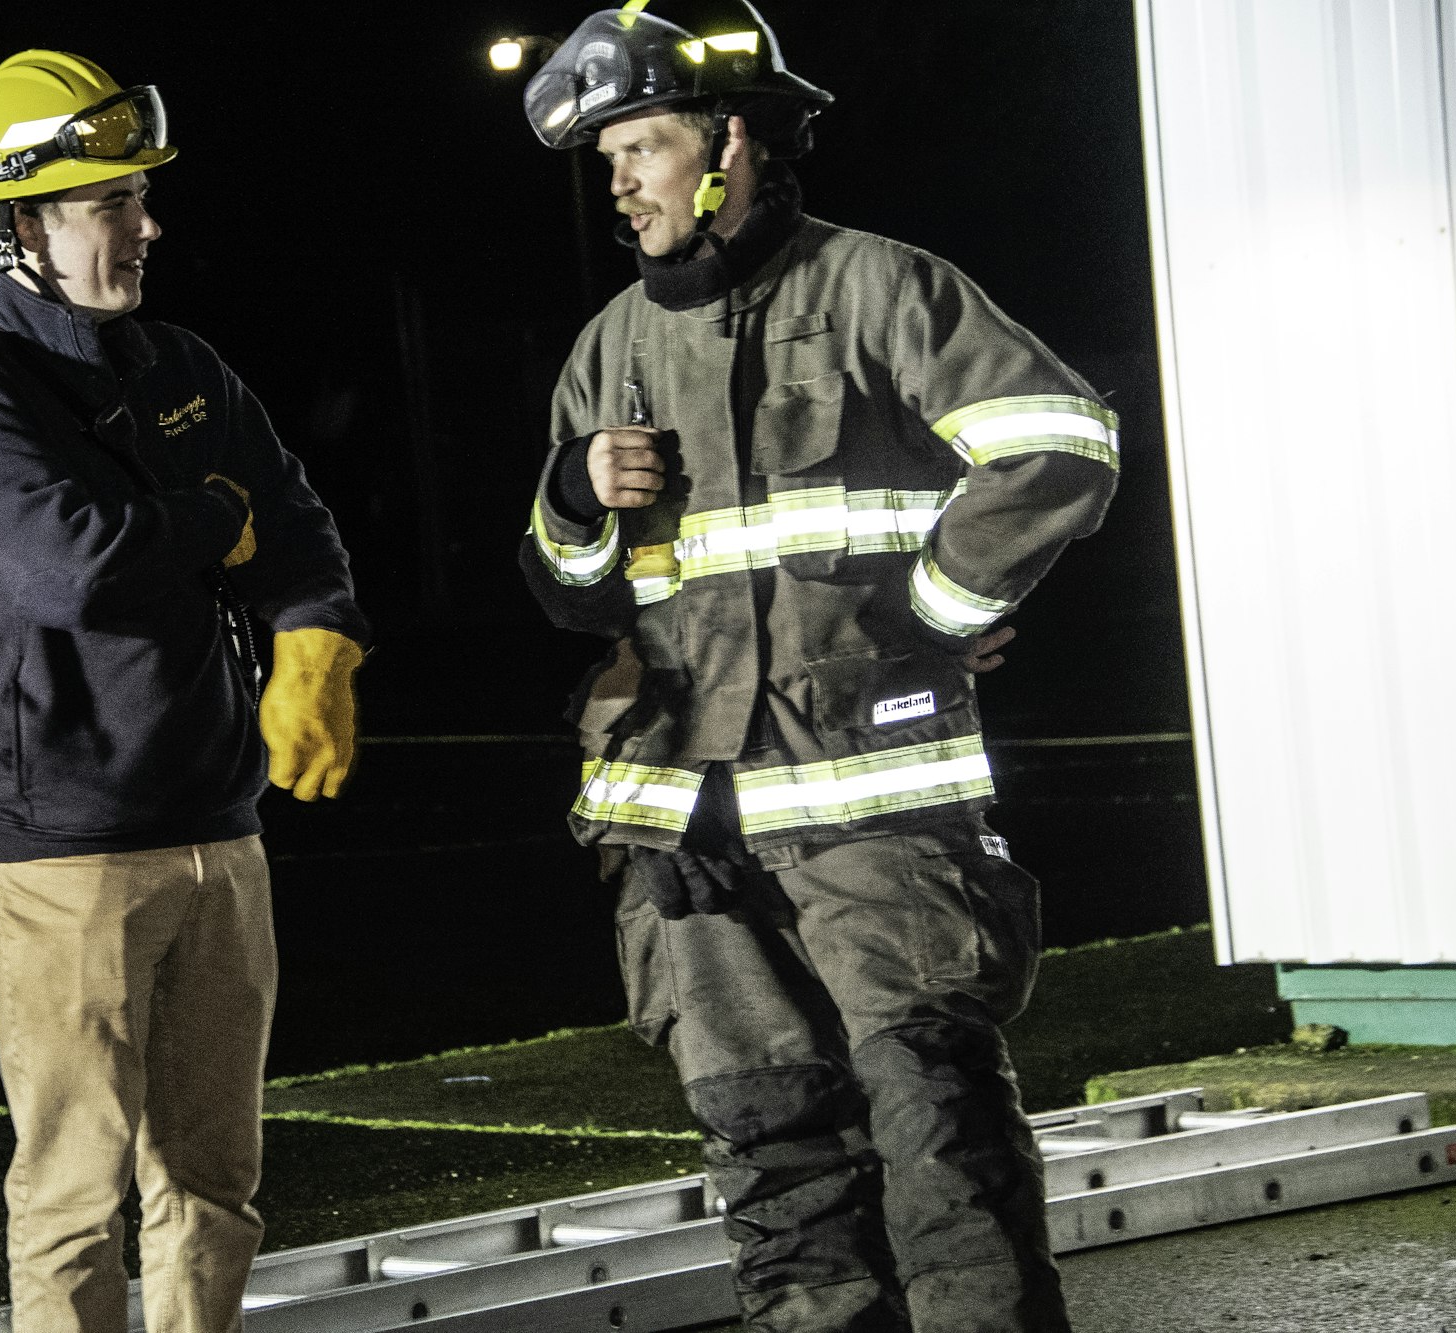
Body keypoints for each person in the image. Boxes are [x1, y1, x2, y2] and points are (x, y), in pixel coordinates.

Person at [517, 5, 1119, 1330]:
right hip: (682, 829)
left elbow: (1059, 441)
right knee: (776, 1171)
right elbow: (571, 595)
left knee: (940, 1142)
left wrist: (942, 607)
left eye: (647, 143)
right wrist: (573, 498)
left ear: (732, 140)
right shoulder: (609, 346)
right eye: (607, 152)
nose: (620, 179)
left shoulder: (881, 289)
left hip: (874, 813)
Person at [0, 50, 366, 1333]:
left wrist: (314, 639)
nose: (145, 225)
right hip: (62, 857)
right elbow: (68, 568)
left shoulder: (181, 363)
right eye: (110, 202)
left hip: (219, 832)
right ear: (17, 227)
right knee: (72, 1194)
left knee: (215, 1183)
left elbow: (302, 527)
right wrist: (213, 514)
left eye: (139, 197)